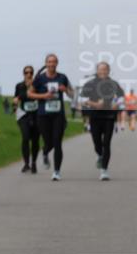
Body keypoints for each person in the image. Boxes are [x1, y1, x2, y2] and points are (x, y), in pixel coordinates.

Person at [29, 53, 74, 181]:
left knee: (57, 142)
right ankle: (45, 152)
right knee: (48, 141)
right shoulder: (39, 79)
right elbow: (30, 94)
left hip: (58, 115)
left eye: (54, 62)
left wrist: (65, 90)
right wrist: (44, 96)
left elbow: (72, 95)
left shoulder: (62, 77)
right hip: (43, 115)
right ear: (46, 63)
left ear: (57, 63)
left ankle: (56, 171)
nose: (51, 64)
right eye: (49, 62)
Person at [80, 62, 125, 180]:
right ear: (97, 70)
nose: (103, 71)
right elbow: (82, 99)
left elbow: (121, 97)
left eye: (105, 69)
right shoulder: (90, 83)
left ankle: (104, 170)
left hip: (109, 117)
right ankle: (100, 155)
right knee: (97, 143)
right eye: (101, 69)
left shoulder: (114, 84)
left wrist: (116, 104)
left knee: (107, 143)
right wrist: (94, 104)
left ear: (109, 71)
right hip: (94, 117)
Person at [13, 65, 41, 174]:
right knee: (25, 137)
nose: (28, 74)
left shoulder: (38, 85)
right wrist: (15, 104)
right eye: (26, 72)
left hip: (36, 114)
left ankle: (34, 163)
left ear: (33, 74)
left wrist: (32, 88)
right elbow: (17, 97)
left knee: (35, 140)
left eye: (30, 72)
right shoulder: (19, 86)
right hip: (23, 115)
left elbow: (38, 96)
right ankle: (26, 163)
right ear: (23, 74)